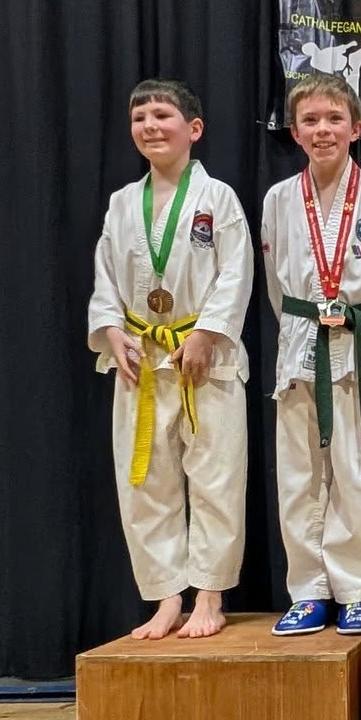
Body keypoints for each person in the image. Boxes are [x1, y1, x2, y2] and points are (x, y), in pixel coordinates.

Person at [88, 77, 252, 640]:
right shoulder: (121, 203)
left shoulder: (217, 198)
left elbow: (236, 273)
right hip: (141, 358)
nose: (150, 126)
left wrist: (208, 334)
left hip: (203, 357)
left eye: (162, 115)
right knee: (145, 481)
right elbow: (104, 278)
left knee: (216, 474)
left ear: (193, 129)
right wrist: (111, 331)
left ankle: (209, 593)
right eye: (139, 118)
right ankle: (165, 596)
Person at [262, 72, 361, 635]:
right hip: (301, 343)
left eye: (333, 119)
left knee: (358, 469)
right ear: (294, 132)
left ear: (356, 127)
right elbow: (278, 287)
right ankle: (308, 588)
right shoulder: (280, 199)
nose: (322, 130)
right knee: (300, 472)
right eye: (310, 120)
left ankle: (356, 587)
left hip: (360, 343)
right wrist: (311, 323)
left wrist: (359, 323)